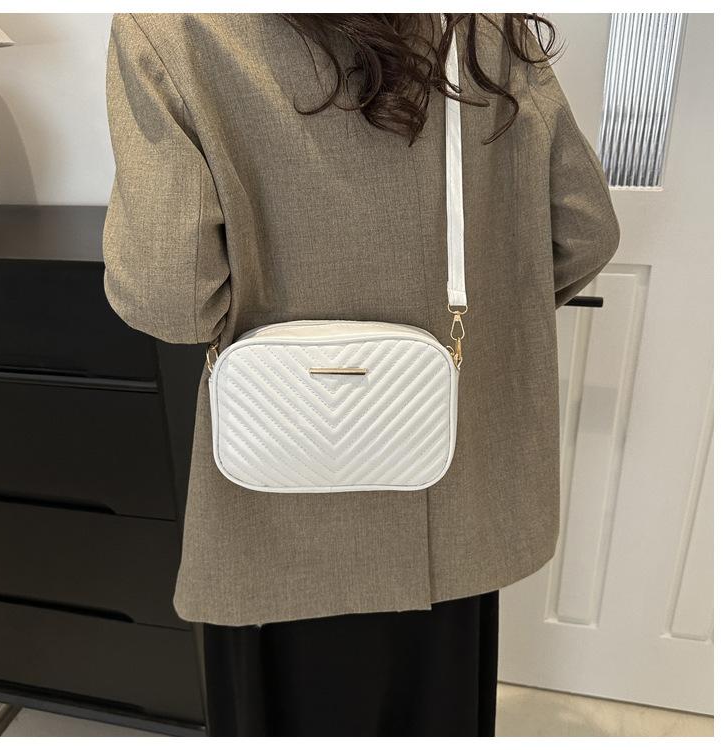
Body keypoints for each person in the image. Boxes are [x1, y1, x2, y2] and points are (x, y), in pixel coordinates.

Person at [102, 13, 620, 736]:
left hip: (277, 502)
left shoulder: (173, 30)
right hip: (450, 488)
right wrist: (480, 326)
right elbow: (584, 229)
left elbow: (171, 298)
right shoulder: (481, 27)